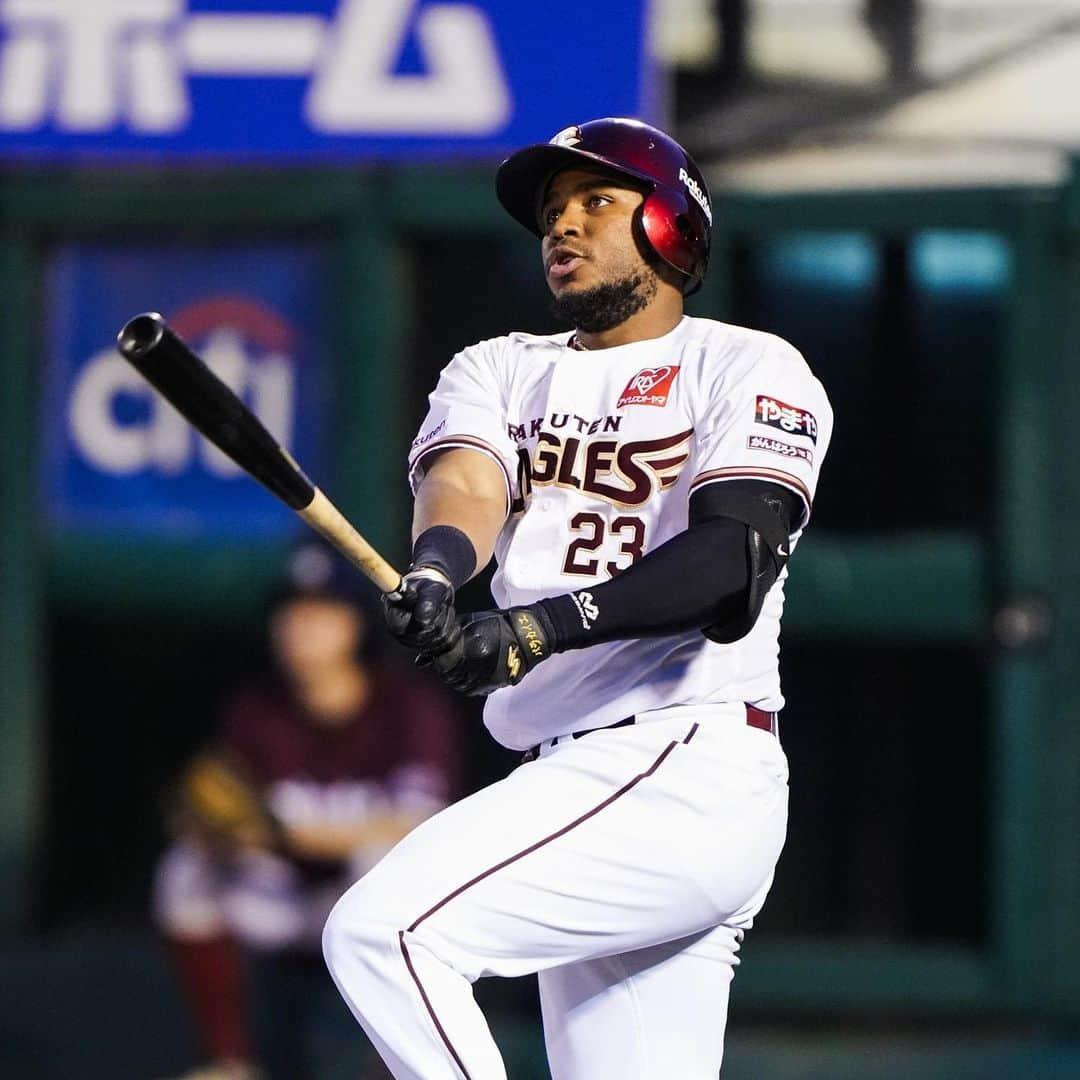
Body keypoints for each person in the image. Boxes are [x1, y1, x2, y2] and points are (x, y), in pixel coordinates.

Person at [322, 117, 833, 1078]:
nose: (565, 225)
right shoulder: (501, 366)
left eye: (598, 200)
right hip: (577, 776)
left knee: (384, 936)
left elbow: (730, 558)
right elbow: (468, 485)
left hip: (684, 756)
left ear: (675, 225)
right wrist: (437, 571)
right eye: (553, 211)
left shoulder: (746, 364)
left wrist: (539, 627)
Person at [154, 544, 459, 1080]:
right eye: (291, 612)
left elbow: (422, 828)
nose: (301, 627)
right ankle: (228, 1062)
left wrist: (283, 835)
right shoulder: (255, 712)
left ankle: (388, 1063)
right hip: (283, 900)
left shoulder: (407, 709)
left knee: (380, 864)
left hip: (364, 901)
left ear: (354, 625)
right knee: (184, 872)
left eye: (321, 612)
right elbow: (201, 811)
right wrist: (212, 831)